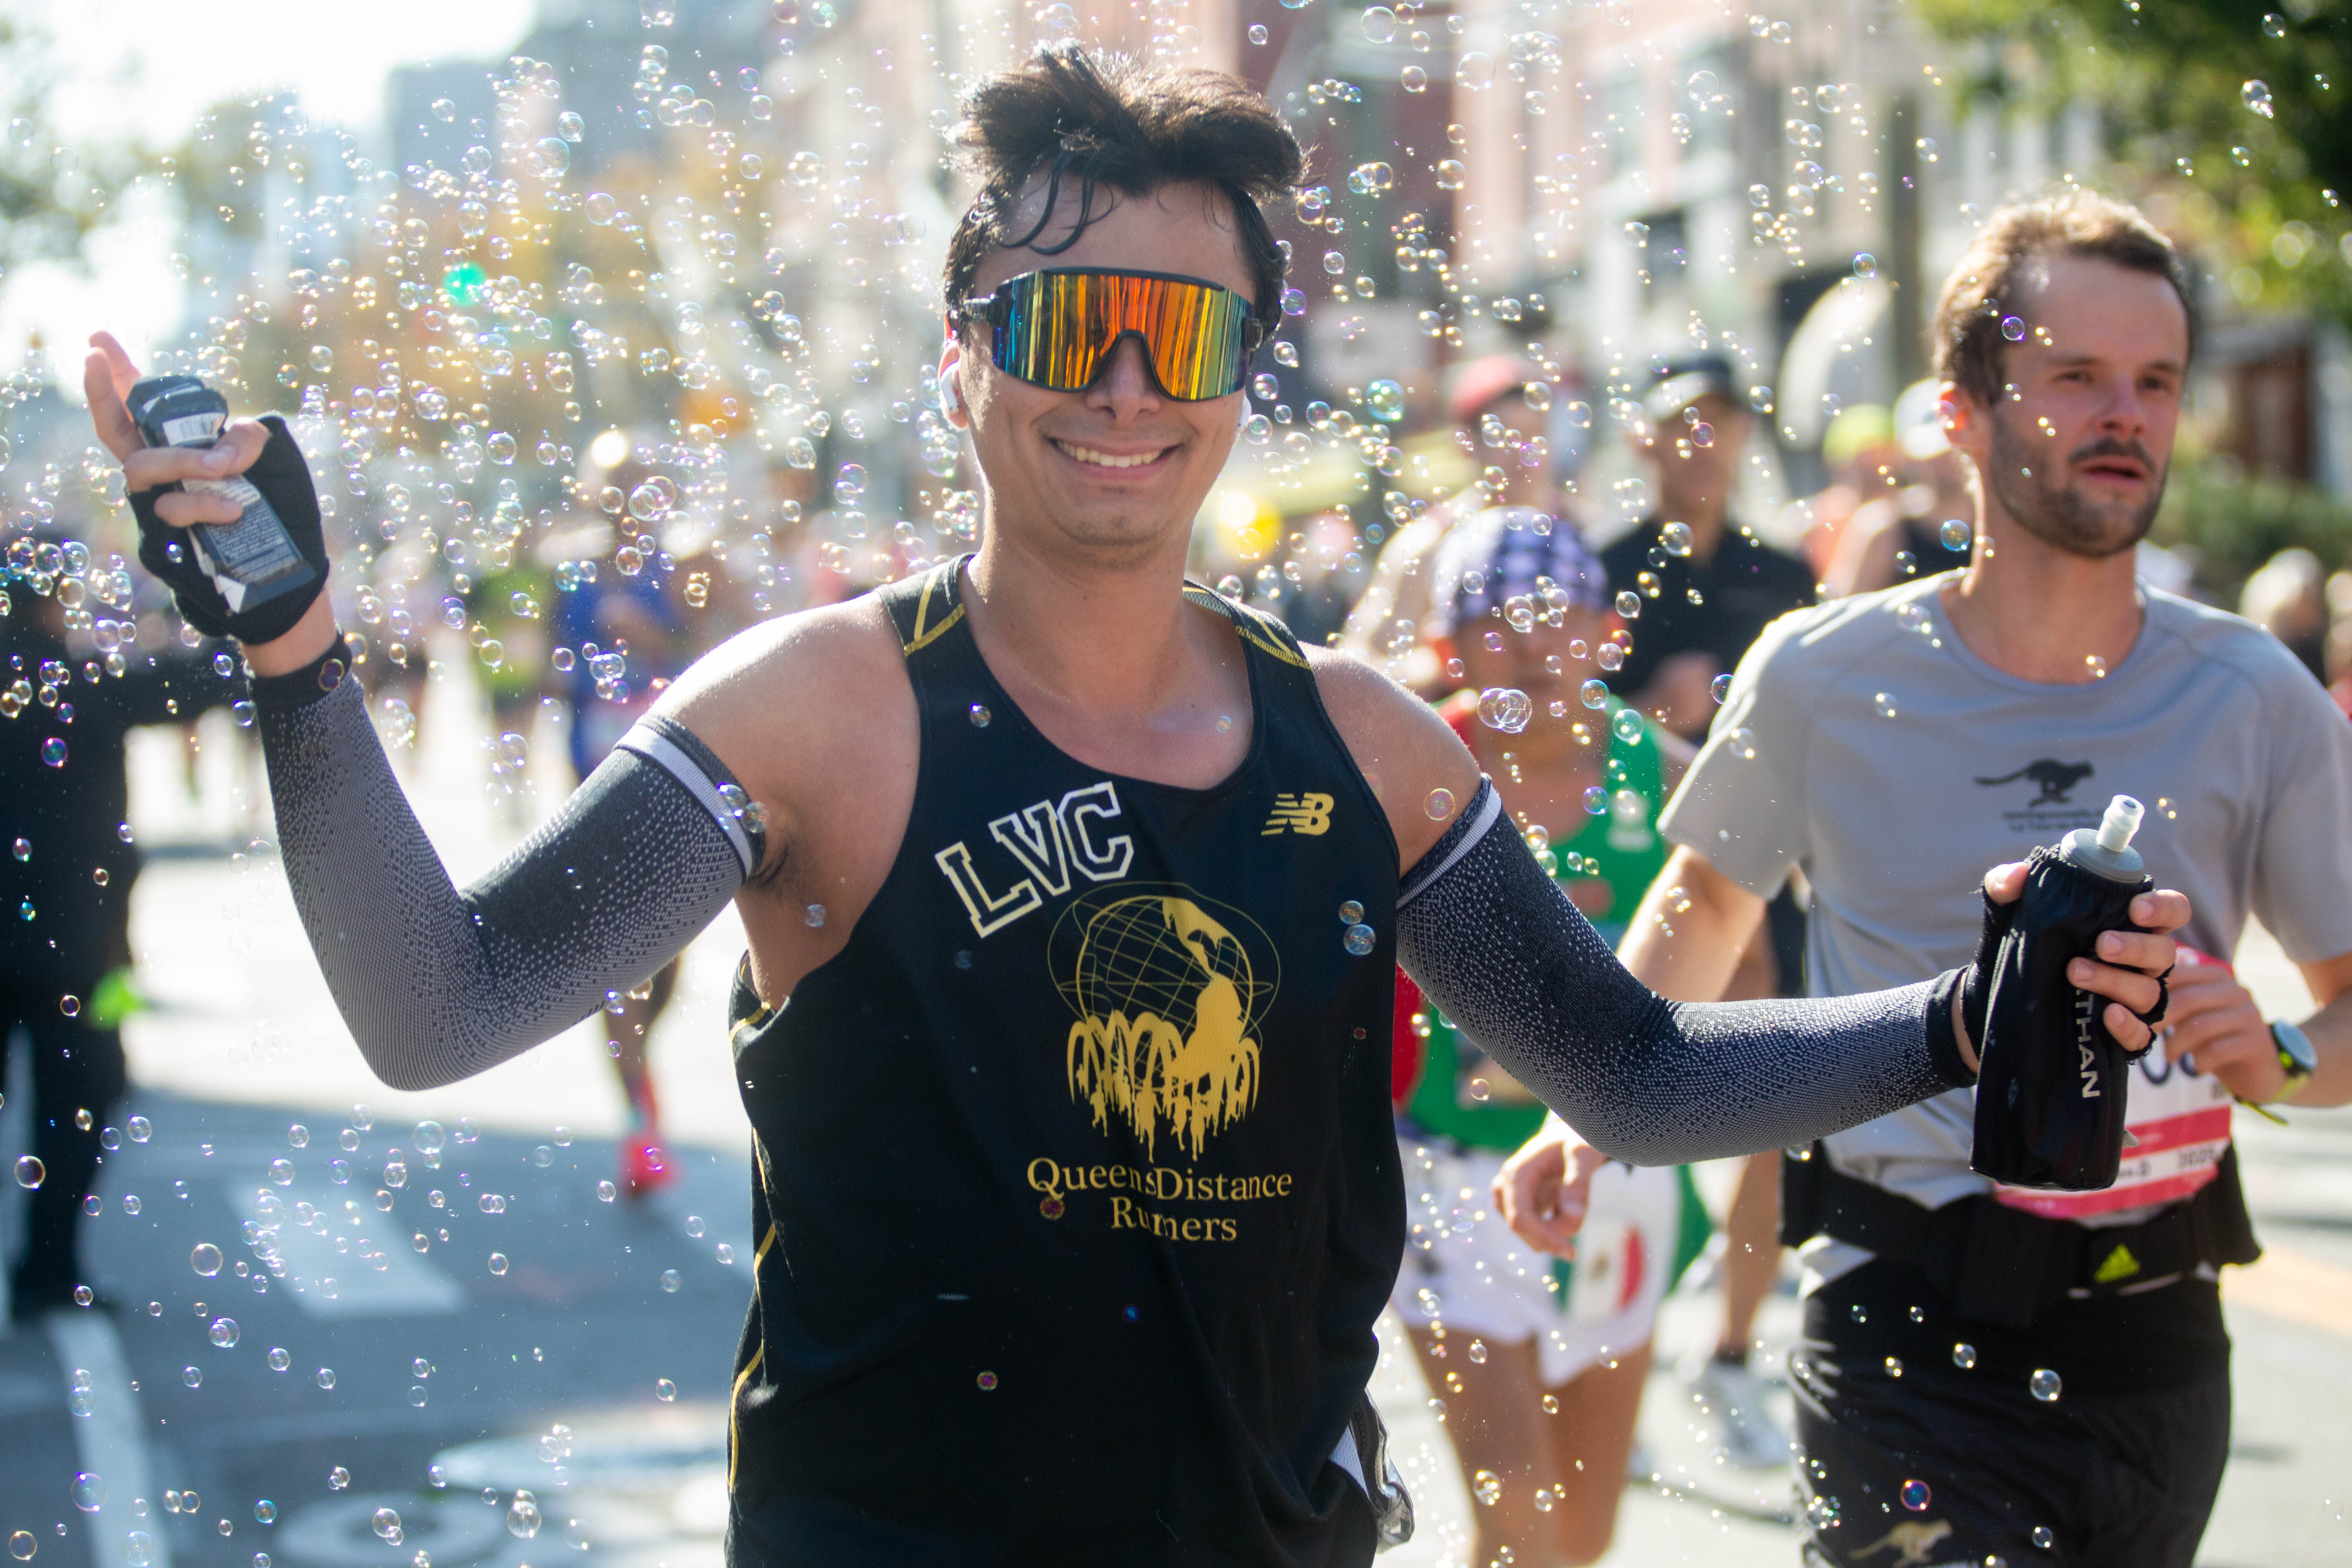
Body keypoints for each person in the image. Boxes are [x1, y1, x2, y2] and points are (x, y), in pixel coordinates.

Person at [82, 53, 2183, 1565]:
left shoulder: (1361, 741)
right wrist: (298, 666)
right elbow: (438, 1008)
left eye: (1187, 335)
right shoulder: (823, 714)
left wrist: (1960, 1030)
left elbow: (1622, 1069)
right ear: (966, 354)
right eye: (1072, 324)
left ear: (1245, 371)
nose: (1126, 386)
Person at [1496, 191, 2352, 1568]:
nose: (2123, 414)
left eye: (2154, 382)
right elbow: (1706, 905)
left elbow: (2344, 1010)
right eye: (2075, 377)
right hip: (1906, 1327)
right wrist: (1590, 1103)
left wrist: (2287, 1049)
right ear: (1962, 411)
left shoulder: (2252, 692)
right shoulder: (1826, 672)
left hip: (2160, 1338)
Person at [1385, 510, 1708, 1564]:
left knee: (1577, 1541)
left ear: (1610, 631)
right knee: (1518, 1512)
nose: (1531, 645)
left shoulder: (1666, 776)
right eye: (1497, 623)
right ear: (1449, 648)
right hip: (1445, 1176)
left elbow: (1742, 966)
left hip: (1619, 1180)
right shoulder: (1406, 762)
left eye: (1558, 617)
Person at [2, 546, 235, 1318]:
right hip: (85, 950)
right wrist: (242, 604)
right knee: (84, 1101)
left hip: (60, 943)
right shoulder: (78, 682)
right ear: (50, 603)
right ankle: (48, 1268)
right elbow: (203, 681)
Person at [1598, 353, 1814, 743]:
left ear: (1745, 432)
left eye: (1717, 423)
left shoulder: (1786, 574)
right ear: (1643, 440)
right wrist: (1650, 710)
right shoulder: (1599, 572)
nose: (1703, 443)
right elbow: (1559, 735)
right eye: (1684, 425)